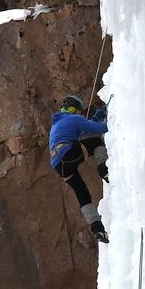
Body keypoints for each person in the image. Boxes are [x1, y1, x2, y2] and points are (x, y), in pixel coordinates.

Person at [49, 94, 110, 243]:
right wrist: (118, 120)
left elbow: (86, 127)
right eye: (79, 111)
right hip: (67, 153)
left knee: (82, 193)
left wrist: (98, 115)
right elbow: (98, 128)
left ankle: (97, 229)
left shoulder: (57, 124)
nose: (80, 113)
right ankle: (104, 170)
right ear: (73, 109)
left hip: (59, 166)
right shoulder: (73, 119)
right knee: (96, 141)